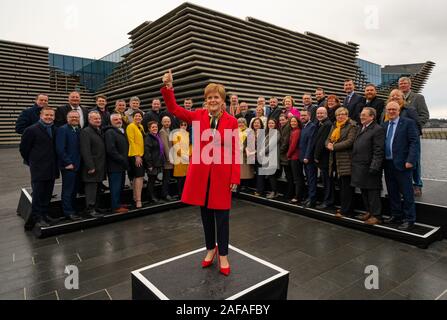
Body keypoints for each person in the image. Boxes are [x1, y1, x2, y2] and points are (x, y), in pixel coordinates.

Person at [161, 69, 240, 276]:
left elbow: (235, 151)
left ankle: (223, 254)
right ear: (205, 100)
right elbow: (174, 108)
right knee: (205, 216)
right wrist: (169, 88)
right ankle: (209, 249)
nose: (212, 100)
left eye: (216, 97)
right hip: (201, 176)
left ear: (222, 101)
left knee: (222, 217)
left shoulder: (231, 121)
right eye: (209, 97)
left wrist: (234, 177)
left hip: (222, 176)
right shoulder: (197, 115)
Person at [19, 107, 59, 229]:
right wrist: (33, 161)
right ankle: (37, 218)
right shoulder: (31, 130)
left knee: (47, 193)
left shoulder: (55, 129)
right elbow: (24, 149)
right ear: (41, 115)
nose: (49, 117)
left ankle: (45, 214)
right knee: (38, 194)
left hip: (52, 167)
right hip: (38, 168)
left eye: (51, 115)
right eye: (46, 115)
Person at [382, 101, 419, 231]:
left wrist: (410, 160)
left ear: (399, 110)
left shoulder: (408, 123)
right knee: (392, 192)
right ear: (386, 111)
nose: (391, 111)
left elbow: (414, 143)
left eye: (394, 109)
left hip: (403, 164)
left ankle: (409, 219)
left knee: (407, 193)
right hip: (388, 163)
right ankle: (396, 215)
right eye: (389, 109)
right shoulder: (384, 124)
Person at [351, 107, 385, 225]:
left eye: (364, 115)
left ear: (372, 116)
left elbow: (378, 150)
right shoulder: (361, 128)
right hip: (360, 166)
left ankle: (377, 216)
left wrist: (375, 166)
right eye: (361, 115)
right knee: (364, 191)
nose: (361, 117)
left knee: (373, 192)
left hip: (370, 166)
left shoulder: (377, 129)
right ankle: (369, 212)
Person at [399, 77, 428, 197]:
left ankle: (417, 185)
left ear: (410, 85)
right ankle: (405, 185)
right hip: (400, 135)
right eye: (401, 83)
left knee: (414, 160)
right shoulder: (397, 98)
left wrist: (414, 127)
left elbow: (425, 115)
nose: (403, 85)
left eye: (405, 83)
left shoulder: (418, 97)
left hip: (412, 135)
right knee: (402, 160)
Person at [326, 107, 358, 218]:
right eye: (338, 115)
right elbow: (328, 139)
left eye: (342, 114)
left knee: (347, 187)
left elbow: (350, 142)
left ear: (347, 115)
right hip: (335, 160)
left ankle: (347, 210)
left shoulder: (352, 126)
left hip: (346, 160)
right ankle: (344, 207)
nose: (340, 116)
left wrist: (334, 147)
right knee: (341, 186)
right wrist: (328, 145)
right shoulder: (335, 125)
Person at [55, 110, 82, 221]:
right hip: (69, 166)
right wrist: (68, 163)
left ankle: (73, 209)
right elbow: (60, 149)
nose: (74, 119)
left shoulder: (79, 130)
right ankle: (68, 212)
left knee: (75, 189)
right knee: (68, 190)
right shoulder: (62, 130)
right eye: (72, 117)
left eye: (76, 117)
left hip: (78, 165)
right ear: (67, 118)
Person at [80, 111, 107, 218]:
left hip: (100, 165)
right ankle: (90, 209)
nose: (98, 120)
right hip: (92, 167)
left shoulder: (98, 130)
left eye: (99, 119)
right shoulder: (86, 131)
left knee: (97, 188)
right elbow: (85, 151)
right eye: (95, 119)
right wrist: (90, 166)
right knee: (91, 189)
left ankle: (95, 207)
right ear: (89, 119)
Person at [104, 113, 129, 214]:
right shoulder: (110, 132)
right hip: (115, 165)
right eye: (115, 120)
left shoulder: (120, 131)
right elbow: (111, 150)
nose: (118, 121)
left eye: (119, 119)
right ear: (111, 121)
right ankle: (115, 207)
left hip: (121, 165)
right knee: (115, 187)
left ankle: (118, 203)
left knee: (120, 186)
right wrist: (122, 159)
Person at [313, 107, 334, 209]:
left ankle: (328, 201)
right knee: (325, 180)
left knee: (327, 181)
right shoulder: (321, 124)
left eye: (322, 113)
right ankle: (326, 199)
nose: (319, 115)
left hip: (324, 158)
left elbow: (321, 142)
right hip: (321, 158)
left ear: (326, 114)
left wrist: (316, 156)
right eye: (318, 113)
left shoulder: (327, 124)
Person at [126, 110, 145, 209]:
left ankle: (135, 197)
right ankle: (138, 201)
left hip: (141, 155)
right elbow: (131, 142)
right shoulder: (130, 126)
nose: (138, 117)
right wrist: (137, 156)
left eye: (140, 116)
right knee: (139, 177)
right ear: (133, 117)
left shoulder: (140, 127)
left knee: (138, 177)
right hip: (135, 155)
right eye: (136, 116)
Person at [299, 110, 317, 208]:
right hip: (303, 157)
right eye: (301, 115)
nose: (302, 117)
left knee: (311, 179)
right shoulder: (304, 126)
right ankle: (309, 197)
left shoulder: (312, 126)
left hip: (308, 158)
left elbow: (311, 143)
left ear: (309, 116)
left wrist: (306, 156)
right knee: (308, 180)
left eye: (305, 115)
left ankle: (312, 199)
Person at [144, 121, 165, 203]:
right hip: (152, 163)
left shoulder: (157, 136)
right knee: (151, 180)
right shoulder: (148, 138)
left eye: (156, 127)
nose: (155, 128)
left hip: (157, 162)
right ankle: (151, 197)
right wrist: (149, 164)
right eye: (152, 127)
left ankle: (152, 195)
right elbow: (147, 152)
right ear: (149, 129)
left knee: (153, 179)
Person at [287, 116, 304, 204]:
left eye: (294, 121)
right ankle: (299, 195)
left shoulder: (297, 132)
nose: (293, 123)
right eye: (291, 122)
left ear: (298, 122)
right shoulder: (293, 131)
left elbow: (293, 146)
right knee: (297, 178)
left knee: (298, 178)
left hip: (295, 157)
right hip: (294, 157)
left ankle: (298, 197)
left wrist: (288, 155)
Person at [172, 120, 190, 197]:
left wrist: (189, 155)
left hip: (188, 158)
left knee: (186, 177)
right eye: (182, 125)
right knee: (180, 178)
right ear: (179, 126)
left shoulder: (188, 134)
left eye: (185, 125)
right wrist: (183, 155)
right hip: (179, 158)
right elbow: (176, 146)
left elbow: (190, 145)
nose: (183, 126)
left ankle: (186, 193)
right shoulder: (176, 134)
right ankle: (180, 193)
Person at [159, 116, 175, 201]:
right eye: (165, 122)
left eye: (168, 121)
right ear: (162, 123)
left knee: (169, 178)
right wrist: (169, 158)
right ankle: (165, 194)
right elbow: (165, 146)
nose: (167, 123)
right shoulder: (162, 132)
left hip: (171, 157)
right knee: (166, 178)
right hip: (167, 159)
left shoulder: (169, 130)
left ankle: (167, 193)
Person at [265, 119, 281, 199]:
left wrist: (262, 151)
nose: (270, 124)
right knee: (271, 175)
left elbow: (271, 145)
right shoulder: (268, 132)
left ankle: (274, 192)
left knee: (272, 175)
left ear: (275, 124)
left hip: (273, 157)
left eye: (272, 123)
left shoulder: (276, 132)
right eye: (269, 123)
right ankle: (274, 191)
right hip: (268, 157)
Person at [237, 118, 254, 192]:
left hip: (245, 154)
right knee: (239, 171)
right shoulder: (236, 130)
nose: (241, 124)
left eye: (242, 122)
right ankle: (239, 185)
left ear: (245, 123)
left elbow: (251, 142)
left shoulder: (249, 131)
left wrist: (244, 149)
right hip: (237, 154)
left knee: (246, 171)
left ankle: (246, 186)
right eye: (239, 123)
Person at [279, 114, 294, 200]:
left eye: (283, 120)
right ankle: (289, 193)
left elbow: (285, 142)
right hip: (284, 155)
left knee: (289, 176)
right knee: (288, 176)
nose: (281, 122)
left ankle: (290, 194)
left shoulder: (287, 128)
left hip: (286, 155)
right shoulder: (283, 127)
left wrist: (280, 151)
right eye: (280, 120)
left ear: (287, 120)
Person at [250, 118, 266, 196]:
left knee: (260, 174)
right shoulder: (251, 132)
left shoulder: (263, 133)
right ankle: (258, 188)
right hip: (253, 156)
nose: (256, 124)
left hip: (261, 157)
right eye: (255, 123)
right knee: (257, 173)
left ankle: (260, 190)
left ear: (261, 125)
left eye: (258, 123)